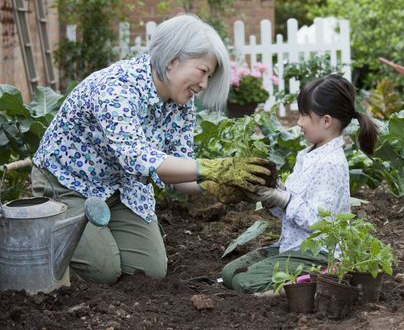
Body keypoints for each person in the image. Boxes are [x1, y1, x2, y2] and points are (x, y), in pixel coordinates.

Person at [31, 14, 271, 285]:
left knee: (149, 270)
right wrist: (213, 167)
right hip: (69, 184)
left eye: (210, 76)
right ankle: (43, 230)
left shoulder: (181, 104)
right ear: (172, 61)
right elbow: (137, 158)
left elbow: (181, 172)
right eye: (202, 71)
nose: (204, 84)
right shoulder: (116, 88)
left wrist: (216, 184)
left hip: (122, 188)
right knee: (103, 270)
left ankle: (99, 236)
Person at [222, 74, 378, 294]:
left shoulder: (331, 163)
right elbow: (292, 212)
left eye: (305, 115)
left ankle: (318, 280)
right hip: (293, 248)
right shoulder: (308, 154)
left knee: (244, 282)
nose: (299, 122)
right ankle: (301, 282)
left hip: (319, 254)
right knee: (229, 274)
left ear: (326, 121)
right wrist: (270, 195)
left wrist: (283, 199)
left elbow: (319, 222)